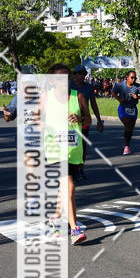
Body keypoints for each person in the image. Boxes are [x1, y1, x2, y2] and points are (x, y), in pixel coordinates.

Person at [43, 64, 91, 245]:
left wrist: (80, 119)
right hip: (55, 150)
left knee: (64, 187)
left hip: (73, 150)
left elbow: (88, 119)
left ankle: (55, 217)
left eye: (66, 77)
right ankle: (74, 228)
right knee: (69, 185)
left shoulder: (77, 96)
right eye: (59, 78)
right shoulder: (45, 99)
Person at [71, 65, 104, 178]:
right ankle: (71, 169)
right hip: (69, 121)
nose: (82, 75)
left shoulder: (88, 87)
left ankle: (80, 169)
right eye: (79, 73)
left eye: (84, 73)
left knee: (82, 146)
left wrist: (99, 120)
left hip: (83, 120)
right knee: (69, 145)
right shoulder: (68, 86)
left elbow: (93, 104)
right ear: (74, 74)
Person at [112, 70, 140, 154]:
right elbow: (113, 92)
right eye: (132, 77)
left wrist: (137, 97)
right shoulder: (120, 85)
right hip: (123, 108)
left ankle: (126, 143)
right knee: (128, 125)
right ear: (127, 77)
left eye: (135, 78)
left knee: (130, 128)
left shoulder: (138, 86)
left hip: (133, 109)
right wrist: (119, 98)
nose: (133, 80)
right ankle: (127, 147)